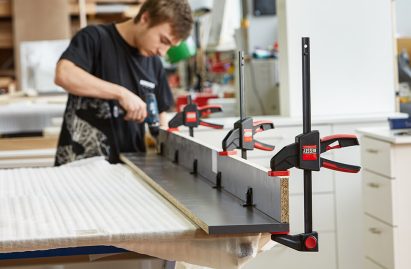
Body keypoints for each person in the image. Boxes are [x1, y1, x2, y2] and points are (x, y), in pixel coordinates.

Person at [54, 0, 193, 166]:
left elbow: (161, 115)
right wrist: (121, 94)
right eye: (163, 40)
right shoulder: (95, 38)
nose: (163, 52)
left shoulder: (154, 62)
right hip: (81, 165)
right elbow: (64, 74)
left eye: (170, 46)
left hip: (129, 167)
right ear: (145, 18)